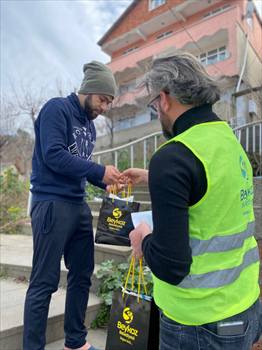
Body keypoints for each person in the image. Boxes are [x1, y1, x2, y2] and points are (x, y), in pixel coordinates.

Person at [122, 52, 261, 350]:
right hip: (245, 307)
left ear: (164, 98)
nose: (156, 112)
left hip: (198, 324)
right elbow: (210, 184)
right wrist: (152, 175)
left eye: (153, 105)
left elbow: (171, 266)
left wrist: (143, 237)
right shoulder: (229, 141)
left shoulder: (172, 157)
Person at [23, 61, 121, 350]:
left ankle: (75, 341)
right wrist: (98, 171)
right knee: (45, 281)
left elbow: (81, 166)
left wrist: (108, 182)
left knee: (81, 276)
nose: (104, 107)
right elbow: (53, 155)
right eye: (103, 99)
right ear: (88, 91)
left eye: (108, 103)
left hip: (77, 206)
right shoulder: (57, 109)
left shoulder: (89, 126)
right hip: (51, 203)